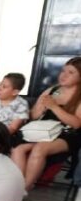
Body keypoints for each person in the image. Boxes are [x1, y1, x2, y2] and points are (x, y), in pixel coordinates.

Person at [11, 57, 81, 191]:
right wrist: (39, 109)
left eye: (71, 72)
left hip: (67, 135)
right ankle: (17, 186)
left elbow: (77, 124)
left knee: (40, 148)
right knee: (18, 148)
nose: (64, 75)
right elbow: (33, 116)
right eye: (63, 71)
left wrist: (54, 107)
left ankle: (25, 188)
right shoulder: (52, 90)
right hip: (43, 132)